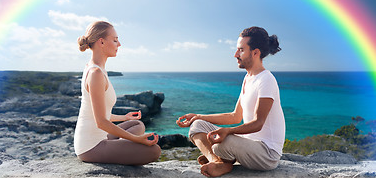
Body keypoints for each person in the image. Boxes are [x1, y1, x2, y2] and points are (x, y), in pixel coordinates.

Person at [177, 26, 285, 177]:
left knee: (222, 143)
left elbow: (258, 122)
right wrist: (198, 116)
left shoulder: (266, 79)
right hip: (247, 146)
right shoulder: (248, 79)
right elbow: (235, 116)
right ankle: (217, 162)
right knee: (197, 126)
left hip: (267, 154)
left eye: (241, 50)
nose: (235, 54)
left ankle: (222, 158)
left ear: (255, 52)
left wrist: (228, 131)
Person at [74, 21, 161, 165]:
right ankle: (119, 148)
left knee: (137, 124)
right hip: (90, 146)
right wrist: (137, 140)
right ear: (101, 42)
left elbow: (98, 114)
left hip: (101, 136)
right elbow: (101, 122)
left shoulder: (96, 68)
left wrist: (124, 117)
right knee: (154, 151)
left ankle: (119, 147)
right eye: (115, 40)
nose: (119, 44)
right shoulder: (95, 73)